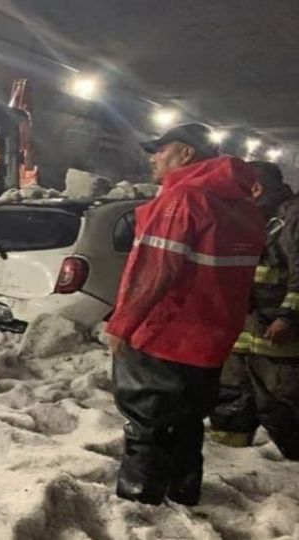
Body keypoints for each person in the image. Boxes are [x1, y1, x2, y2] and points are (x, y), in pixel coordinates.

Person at [105, 123, 266, 506]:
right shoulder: (243, 206)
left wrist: (123, 324)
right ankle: (183, 492)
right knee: (188, 422)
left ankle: (139, 503)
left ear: (187, 153)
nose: (153, 157)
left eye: (160, 150)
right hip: (211, 340)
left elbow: (156, 269)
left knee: (147, 421)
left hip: (165, 334)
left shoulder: (185, 198)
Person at [210, 162, 299, 459]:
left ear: (256, 188)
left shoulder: (292, 216)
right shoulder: (252, 216)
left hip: (277, 333)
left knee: (281, 403)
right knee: (231, 398)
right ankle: (231, 460)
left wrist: (288, 316)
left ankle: (291, 471)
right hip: (243, 329)